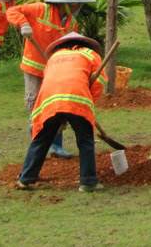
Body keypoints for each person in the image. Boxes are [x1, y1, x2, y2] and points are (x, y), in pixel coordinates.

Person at [16, 31, 107, 192]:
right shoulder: (91, 55)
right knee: (85, 140)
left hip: (49, 101)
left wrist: (62, 113)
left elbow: (50, 79)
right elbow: (98, 83)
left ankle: (26, 179)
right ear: (84, 44)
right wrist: (87, 104)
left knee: (42, 139)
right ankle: (88, 182)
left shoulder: (54, 57)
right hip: (77, 98)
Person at [7, 0, 88, 158]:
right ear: (71, 3)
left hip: (55, 71)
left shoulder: (72, 24)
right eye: (78, 4)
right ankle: (38, 148)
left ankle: (56, 147)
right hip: (34, 68)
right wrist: (23, 24)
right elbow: (12, 11)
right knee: (36, 105)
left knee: (57, 106)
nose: (78, 8)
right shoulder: (40, 9)